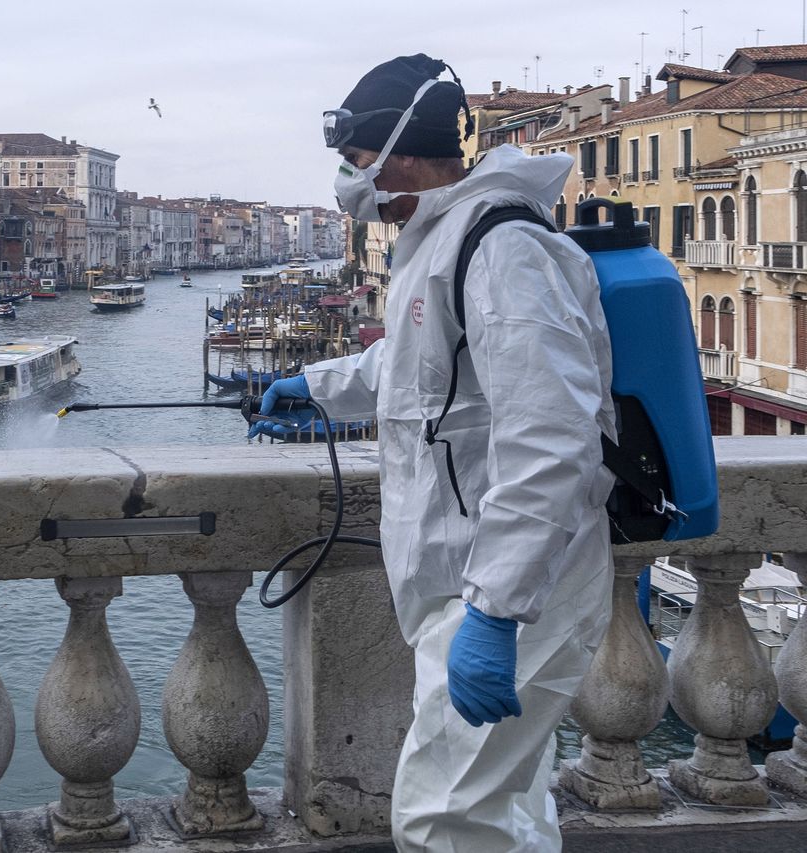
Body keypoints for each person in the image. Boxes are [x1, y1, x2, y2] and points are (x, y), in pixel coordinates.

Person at [255, 54, 616, 851]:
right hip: (473, 587)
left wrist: (493, 612)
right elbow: (416, 365)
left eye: (355, 165)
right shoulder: (445, 240)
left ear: (399, 155)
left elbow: (553, 436)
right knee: (505, 812)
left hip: (507, 593)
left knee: (442, 819)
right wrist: (316, 385)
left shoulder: (503, 247)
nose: (351, 187)